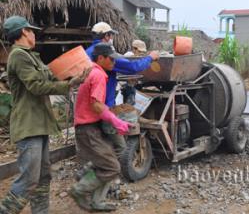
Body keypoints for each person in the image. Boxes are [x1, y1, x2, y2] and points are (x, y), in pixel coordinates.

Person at [0, 16, 87, 214]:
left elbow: (50, 76)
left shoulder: (31, 56)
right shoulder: (18, 56)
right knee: (29, 179)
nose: (33, 33)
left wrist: (73, 75)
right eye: (31, 31)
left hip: (39, 124)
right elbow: (37, 86)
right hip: (28, 125)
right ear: (23, 32)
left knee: (42, 176)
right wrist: (70, 84)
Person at [69, 43, 131, 212]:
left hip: (89, 126)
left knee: (104, 164)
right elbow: (96, 105)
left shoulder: (90, 70)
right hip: (88, 128)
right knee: (112, 167)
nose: (114, 62)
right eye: (111, 59)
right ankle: (80, 189)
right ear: (101, 58)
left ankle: (96, 200)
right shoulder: (98, 75)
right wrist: (115, 120)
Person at [86, 22, 159, 157]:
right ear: (107, 36)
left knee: (98, 143)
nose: (111, 38)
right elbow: (133, 67)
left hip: (88, 106)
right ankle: (114, 169)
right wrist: (150, 57)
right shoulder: (106, 54)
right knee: (119, 146)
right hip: (103, 105)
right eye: (111, 35)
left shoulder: (87, 52)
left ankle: (100, 167)